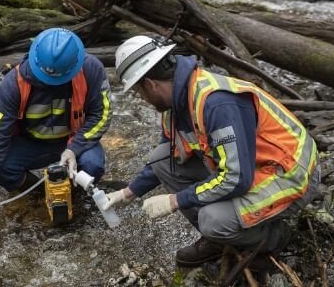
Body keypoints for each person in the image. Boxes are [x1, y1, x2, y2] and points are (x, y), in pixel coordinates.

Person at [104, 35, 320, 268]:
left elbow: (237, 178)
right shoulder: (175, 106)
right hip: (252, 167)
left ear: (150, 84)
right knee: (161, 159)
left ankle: (274, 238)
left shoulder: (216, 103)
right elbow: (169, 154)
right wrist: (129, 192)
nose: (143, 99)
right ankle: (220, 239)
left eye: (138, 91)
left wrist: (177, 200)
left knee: (213, 220)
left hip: (289, 174)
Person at [0, 28, 112, 221]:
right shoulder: (13, 83)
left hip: (73, 140)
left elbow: (102, 115)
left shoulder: (91, 69)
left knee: (92, 165)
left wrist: (74, 149)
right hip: (31, 143)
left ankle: (73, 195)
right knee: (0, 169)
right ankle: (39, 193)